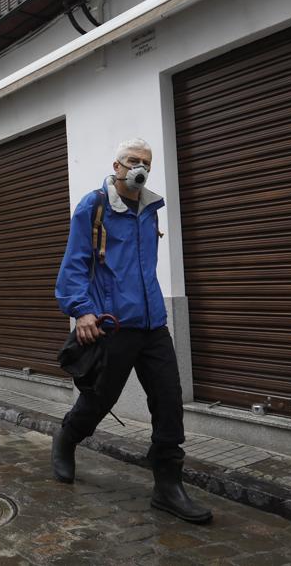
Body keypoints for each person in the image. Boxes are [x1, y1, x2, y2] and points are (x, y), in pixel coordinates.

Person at [52, 138, 212, 524]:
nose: (139, 167)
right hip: (114, 324)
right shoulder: (95, 206)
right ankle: (67, 438)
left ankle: (167, 485)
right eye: (132, 161)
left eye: (145, 162)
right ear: (117, 165)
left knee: (169, 401)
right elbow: (74, 264)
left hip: (153, 323)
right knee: (99, 399)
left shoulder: (151, 207)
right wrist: (83, 311)